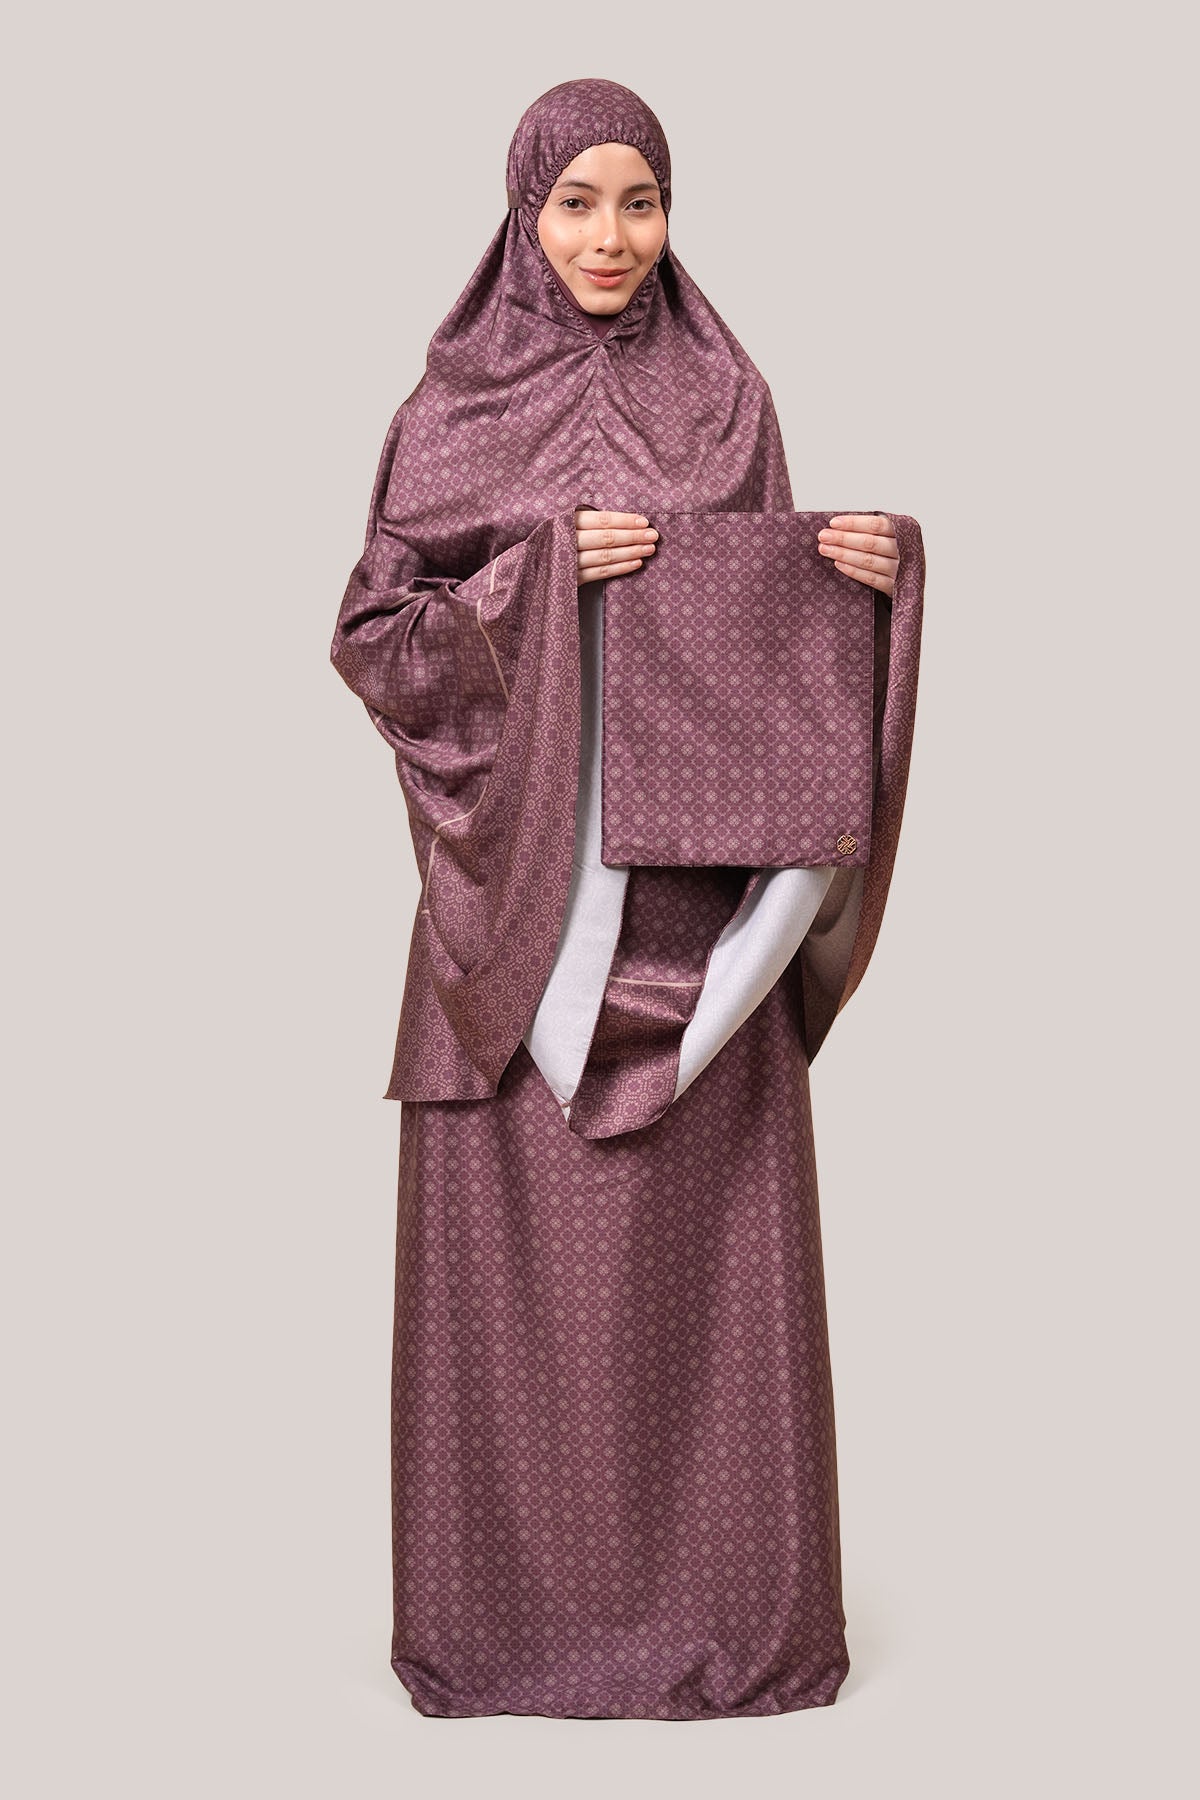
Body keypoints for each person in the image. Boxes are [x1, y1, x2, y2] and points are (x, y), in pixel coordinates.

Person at [330, 76, 924, 1721]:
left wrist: (871, 589)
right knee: (522, 1302)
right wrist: (530, 583)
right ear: (524, 213)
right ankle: (507, 1640)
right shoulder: (447, 411)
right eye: (578, 202)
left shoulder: (729, 400)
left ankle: (730, 1632)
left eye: (641, 201)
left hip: (699, 931)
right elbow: (373, 641)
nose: (612, 237)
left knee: (705, 1285)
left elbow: (772, 656)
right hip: (519, 923)